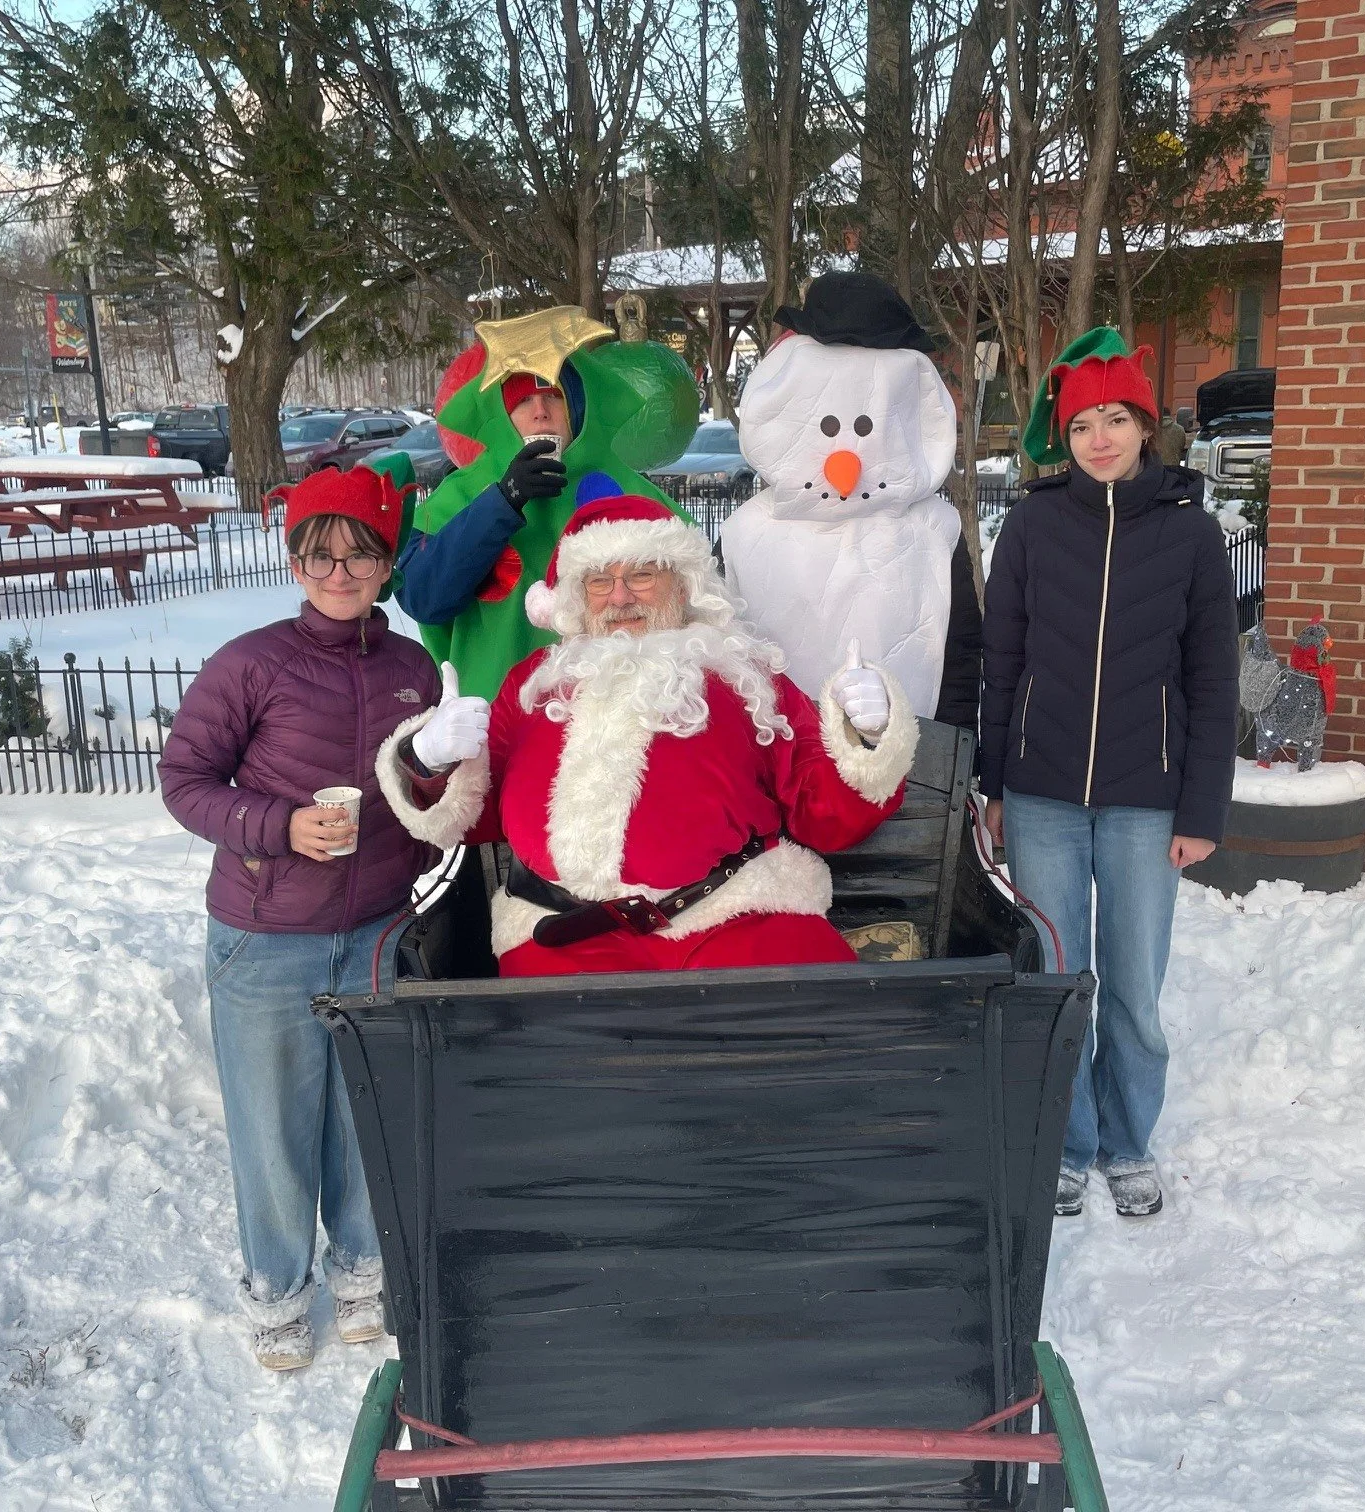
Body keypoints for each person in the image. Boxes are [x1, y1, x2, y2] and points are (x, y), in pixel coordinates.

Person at [375, 477, 919, 975]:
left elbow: (826, 815)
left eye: (641, 575)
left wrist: (866, 739)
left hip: (734, 916)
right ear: (573, 599)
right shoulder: (534, 686)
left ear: (682, 588)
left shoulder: (744, 675)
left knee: (831, 1023)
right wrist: (430, 760)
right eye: (599, 581)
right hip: (567, 934)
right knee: (541, 1062)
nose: (619, 596)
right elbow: (473, 815)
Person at [158, 464, 442, 1371]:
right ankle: (278, 1290)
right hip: (265, 933)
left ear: (385, 564)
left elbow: (422, 791)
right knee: (273, 1121)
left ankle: (361, 1269)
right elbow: (184, 783)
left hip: (378, 930)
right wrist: (279, 826)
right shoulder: (252, 662)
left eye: (359, 553)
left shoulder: (410, 668)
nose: (340, 571)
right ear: (296, 561)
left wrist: (438, 785)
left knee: (366, 1114)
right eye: (321, 554)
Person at [979, 327, 1238, 1219]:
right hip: (1041, 794)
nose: (1100, 437)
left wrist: (1201, 807)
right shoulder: (1033, 523)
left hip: (1145, 801)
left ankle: (1128, 1141)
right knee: (1056, 980)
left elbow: (1213, 679)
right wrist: (992, 786)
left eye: (1116, 418)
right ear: (1065, 433)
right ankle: (1067, 1139)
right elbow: (1001, 660)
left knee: (1133, 989)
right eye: (1083, 421)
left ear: (1144, 426)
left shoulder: (1192, 534)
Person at [394, 306, 700, 701]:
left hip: (616, 720)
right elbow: (423, 597)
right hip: (499, 722)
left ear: (577, 408)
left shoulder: (632, 493)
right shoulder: (460, 496)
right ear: (502, 414)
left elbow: (696, 599)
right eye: (523, 401)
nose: (540, 411)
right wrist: (502, 503)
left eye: (553, 395)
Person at [725, 271, 982, 727]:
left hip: (907, 777)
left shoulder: (934, 530)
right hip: (780, 774)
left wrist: (954, 760)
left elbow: (958, 652)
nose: (845, 463)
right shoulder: (746, 532)